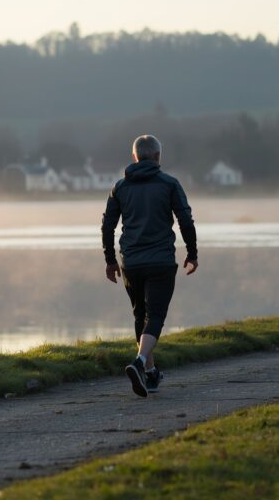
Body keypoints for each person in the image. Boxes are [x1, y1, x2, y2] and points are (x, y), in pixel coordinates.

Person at [101, 134, 198, 398]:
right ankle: (140, 362)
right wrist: (192, 252)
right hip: (161, 261)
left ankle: (151, 375)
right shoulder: (169, 184)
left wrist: (110, 260)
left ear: (134, 157)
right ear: (157, 157)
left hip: (131, 262)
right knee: (154, 317)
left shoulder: (120, 187)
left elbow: (107, 226)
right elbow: (185, 220)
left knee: (139, 316)